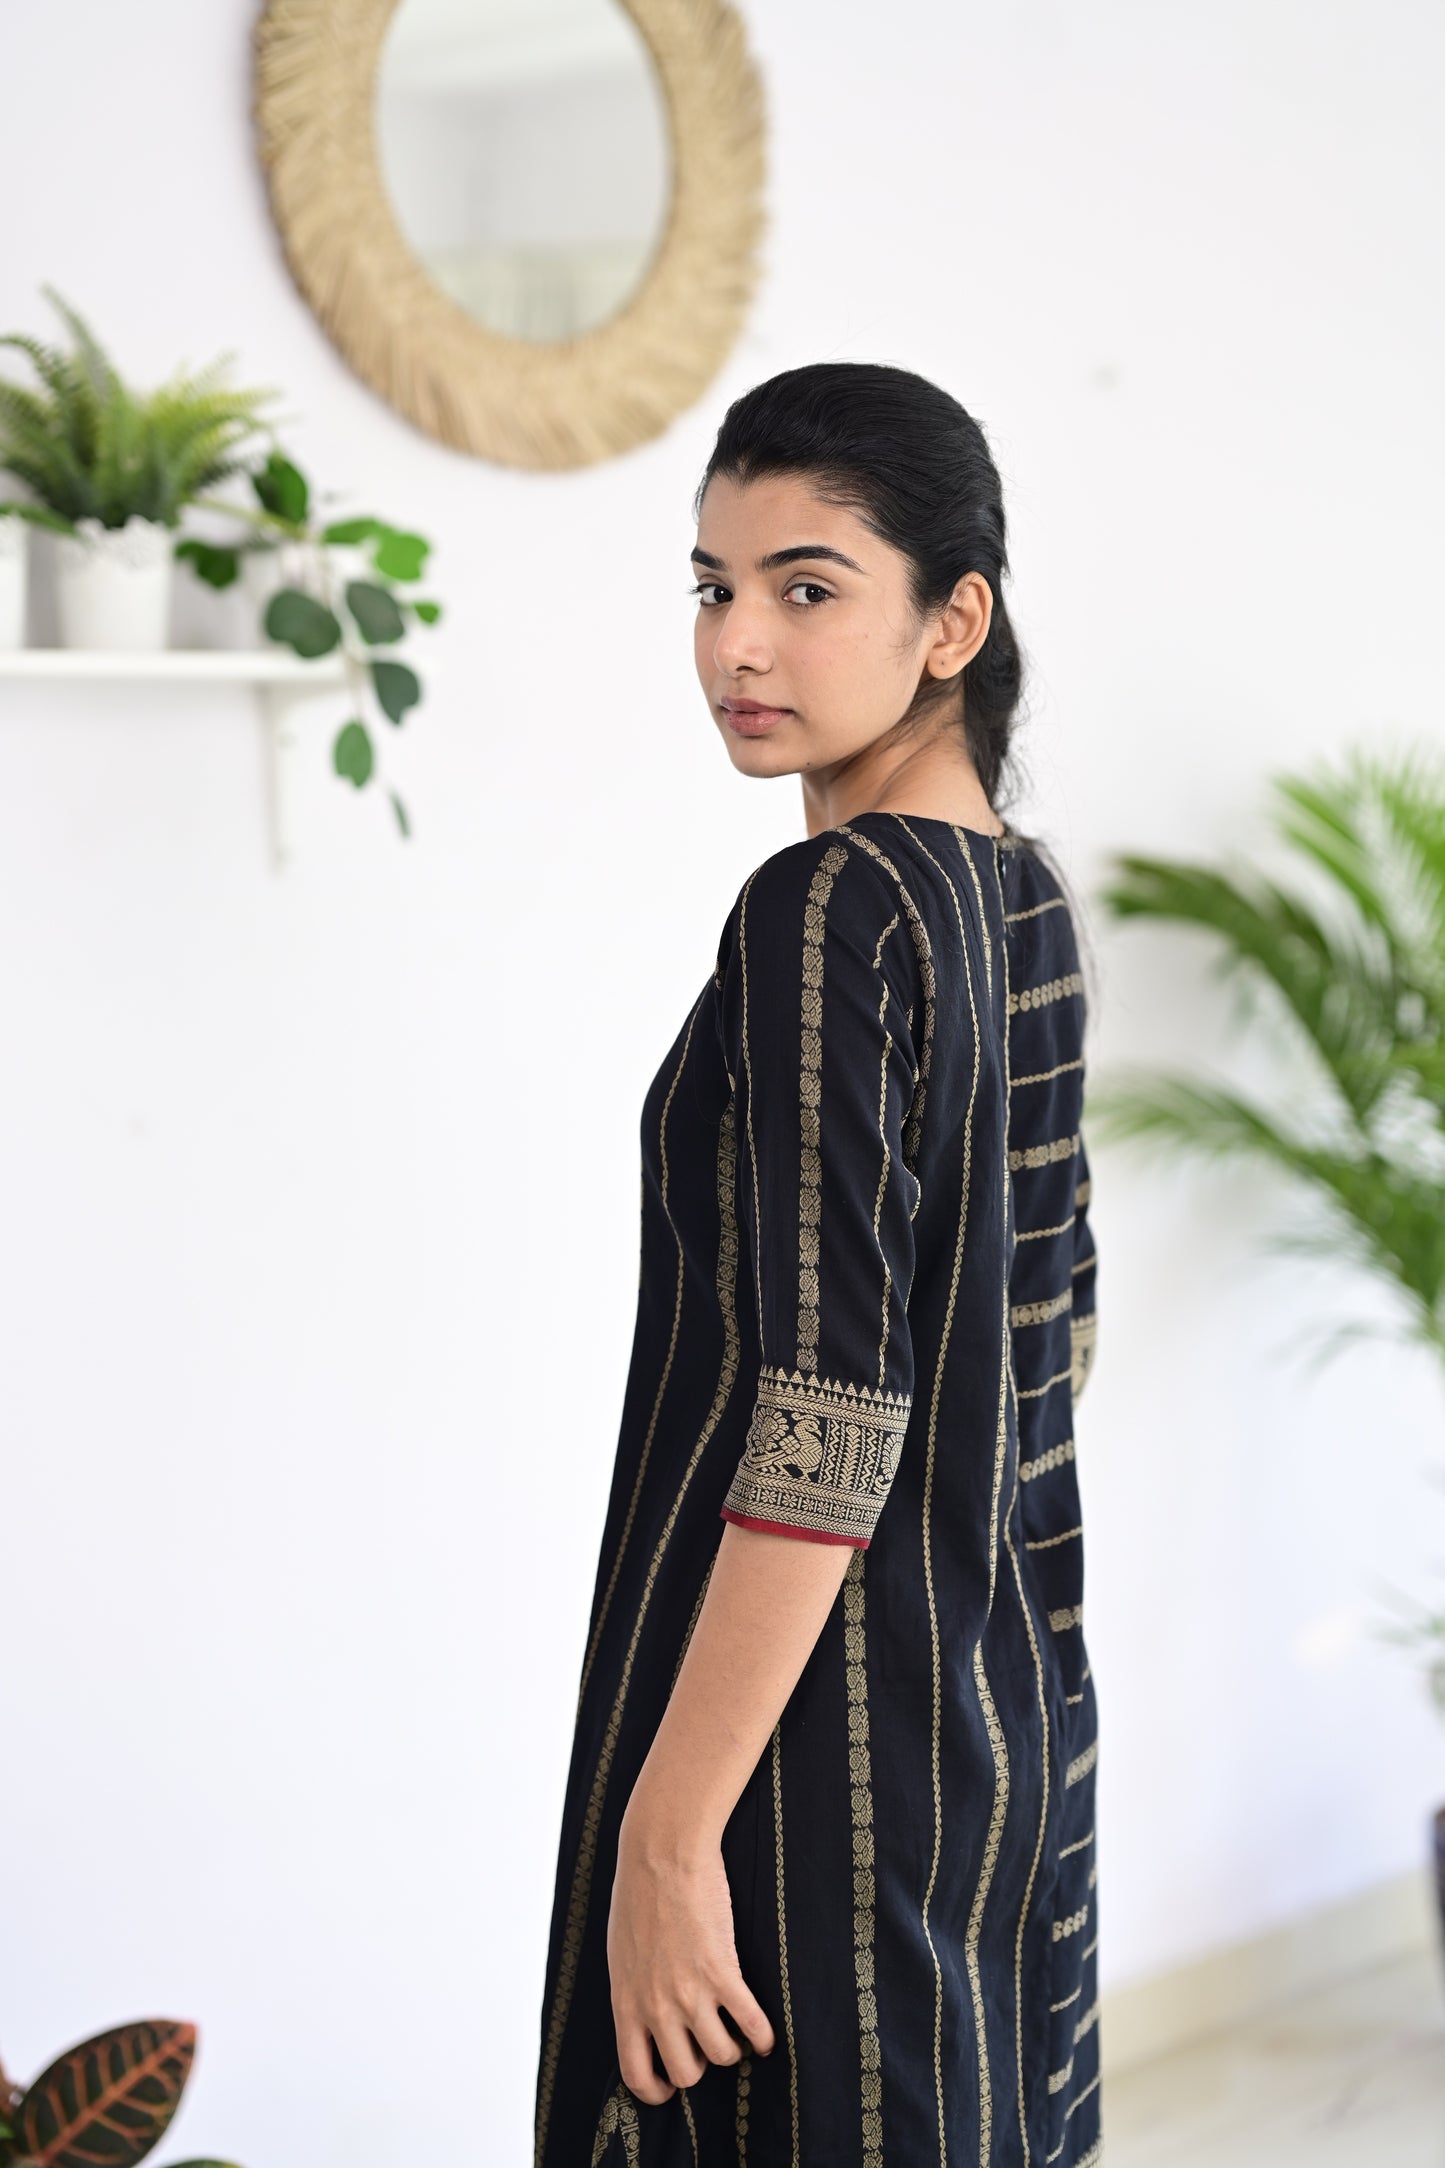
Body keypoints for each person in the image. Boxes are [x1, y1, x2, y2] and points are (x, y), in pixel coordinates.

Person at [534, 361, 1099, 2168]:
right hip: (991, 1729)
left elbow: (827, 1415)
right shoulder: (1014, 902)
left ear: (954, 622)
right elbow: (1052, 1340)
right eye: (711, 588)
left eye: (805, 586)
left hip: (802, 1772)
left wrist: (669, 1828)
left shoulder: (830, 909)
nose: (736, 647)